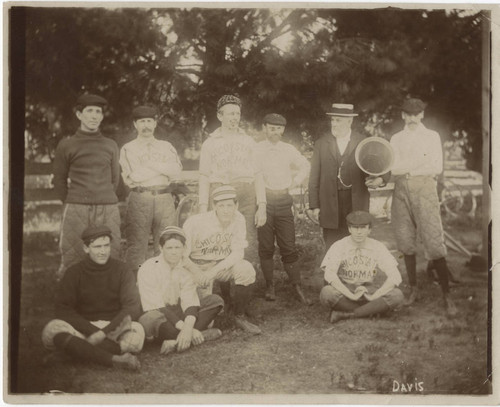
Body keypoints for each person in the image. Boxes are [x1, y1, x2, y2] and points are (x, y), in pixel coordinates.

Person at [41, 225, 145, 371]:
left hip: (114, 328)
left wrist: (103, 333)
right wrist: (92, 331)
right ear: (86, 248)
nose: (103, 251)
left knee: (136, 336)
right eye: (97, 247)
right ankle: (115, 359)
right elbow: (63, 309)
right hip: (82, 328)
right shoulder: (74, 272)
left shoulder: (122, 270)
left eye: (106, 246)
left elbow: (132, 307)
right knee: (52, 329)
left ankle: (73, 351)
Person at [389, 98, 457, 316]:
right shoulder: (396, 138)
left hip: (425, 188)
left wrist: (406, 167)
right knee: (405, 240)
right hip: (400, 190)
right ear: (402, 115)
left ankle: (447, 295)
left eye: (415, 114)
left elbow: (435, 166)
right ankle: (413, 289)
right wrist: (413, 166)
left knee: (433, 240)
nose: (411, 118)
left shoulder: (431, 136)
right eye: (407, 114)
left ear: (422, 115)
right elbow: (392, 167)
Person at [52, 94, 121, 278]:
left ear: (102, 116)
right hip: (77, 207)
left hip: (107, 206)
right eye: (89, 111)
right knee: (73, 253)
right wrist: (73, 200)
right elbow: (58, 180)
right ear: (79, 115)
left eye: (98, 112)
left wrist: (103, 196)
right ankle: (72, 297)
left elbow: (115, 179)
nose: (94, 116)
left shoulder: (110, 145)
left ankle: (107, 295)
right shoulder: (67, 145)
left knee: (110, 251)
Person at [183, 186, 262, 335]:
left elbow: (238, 252)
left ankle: (239, 315)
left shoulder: (239, 218)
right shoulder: (196, 222)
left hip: (219, 266)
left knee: (246, 269)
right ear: (214, 206)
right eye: (221, 205)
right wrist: (199, 273)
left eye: (230, 205)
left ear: (236, 205)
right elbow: (182, 256)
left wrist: (213, 272)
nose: (226, 210)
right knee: (205, 315)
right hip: (197, 267)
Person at [198, 95, 267, 264]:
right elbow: (204, 176)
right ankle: (224, 287)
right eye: (230, 114)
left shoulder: (249, 141)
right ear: (220, 116)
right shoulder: (210, 143)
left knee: (246, 238)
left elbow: (258, 174)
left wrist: (262, 206)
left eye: (237, 113)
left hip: (245, 193)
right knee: (221, 238)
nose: (234, 118)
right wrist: (202, 207)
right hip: (220, 192)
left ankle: (244, 284)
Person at [308, 103, 386, 251]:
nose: (334, 124)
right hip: (329, 205)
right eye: (332, 120)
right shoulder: (321, 144)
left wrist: (380, 179)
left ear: (349, 121)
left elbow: (382, 166)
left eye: (338, 120)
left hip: (356, 202)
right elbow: (314, 178)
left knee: (358, 246)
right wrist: (314, 206)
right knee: (333, 248)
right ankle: (334, 274)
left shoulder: (364, 142)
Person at [137, 226, 224, 355]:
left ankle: (174, 342)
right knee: (151, 318)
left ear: (183, 249)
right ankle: (199, 335)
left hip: (178, 311)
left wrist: (187, 327)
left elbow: (189, 302)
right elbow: (157, 306)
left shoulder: (185, 268)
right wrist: (188, 329)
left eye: (177, 248)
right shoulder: (148, 267)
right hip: (158, 313)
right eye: (169, 248)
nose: (174, 252)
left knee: (215, 301)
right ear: (161, 248)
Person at [255, 113, 311, 303]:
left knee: (288, 245)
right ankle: (270, 286)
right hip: (264, 201)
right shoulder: (256, 150)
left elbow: (305, 164)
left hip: (284, 200)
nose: (275, 132)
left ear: (283, 130)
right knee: (266, 246)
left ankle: (297, 286)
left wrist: (294, 182)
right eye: (272, 128)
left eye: (279, 129)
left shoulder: (288, 149)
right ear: (264, 128)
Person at [120, 105, 183, 272]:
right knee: (136, 245)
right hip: (141, 197)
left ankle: (163, 284)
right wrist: (163, 167)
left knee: (167, 243)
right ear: (135, 124)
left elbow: (176, 171)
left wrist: (149, 164)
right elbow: (135, 176)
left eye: (149, 121)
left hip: (164, 197)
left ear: (155, 123)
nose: (146, 125)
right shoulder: (128, 148)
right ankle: (135, 287)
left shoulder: (166, 146)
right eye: (142, 121)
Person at [319, 211, 404, 323]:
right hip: (346, 293)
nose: (359, 232)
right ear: (349, 229)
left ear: (369, 230)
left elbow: (395, 276)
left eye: (363, 228)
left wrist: (374, 296)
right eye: (355, 228)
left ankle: (347, 315)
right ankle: (374, 310)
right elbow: (329, 275)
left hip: (370, 292)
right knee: (327, 293)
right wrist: (351, 295)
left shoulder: (377, 246)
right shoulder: (339, 246)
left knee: (397, 295)